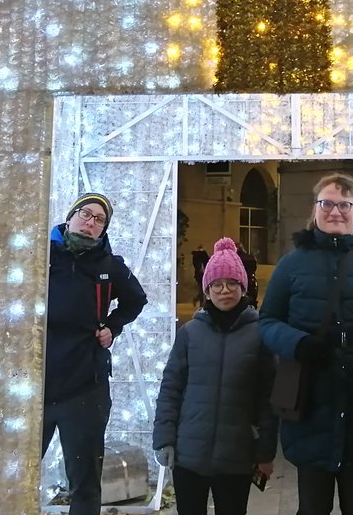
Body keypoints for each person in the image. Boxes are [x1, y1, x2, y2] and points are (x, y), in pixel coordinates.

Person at [259, 173, 353, 515]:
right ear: (315, 211)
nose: (335, 211)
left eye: (344, 205)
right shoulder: (292, 265)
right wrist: (297, 343)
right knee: (312, 506)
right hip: (312, 404)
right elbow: (267, 322)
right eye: (327, 203)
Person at [153, 237, 277, 515]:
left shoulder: (260, 335)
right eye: (217, 284)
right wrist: (164, 438)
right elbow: (171, 387)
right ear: (207, 290)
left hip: (237, 457)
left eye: (232, 283)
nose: (224, 290)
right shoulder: (189, 333)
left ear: (243, 287)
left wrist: (265, 452)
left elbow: (268, 400)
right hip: (189, 456)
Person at [43, 192, 148, 515]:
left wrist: (112, 327)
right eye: (85, 215)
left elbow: (136, 300)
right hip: (37, 385)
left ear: (104, 229)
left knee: (85, 482)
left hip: (85, 387)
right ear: (71, 216)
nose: (90, 223)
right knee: (15, 469)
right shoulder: (42, 255)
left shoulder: (109, 264)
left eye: (99, 220)